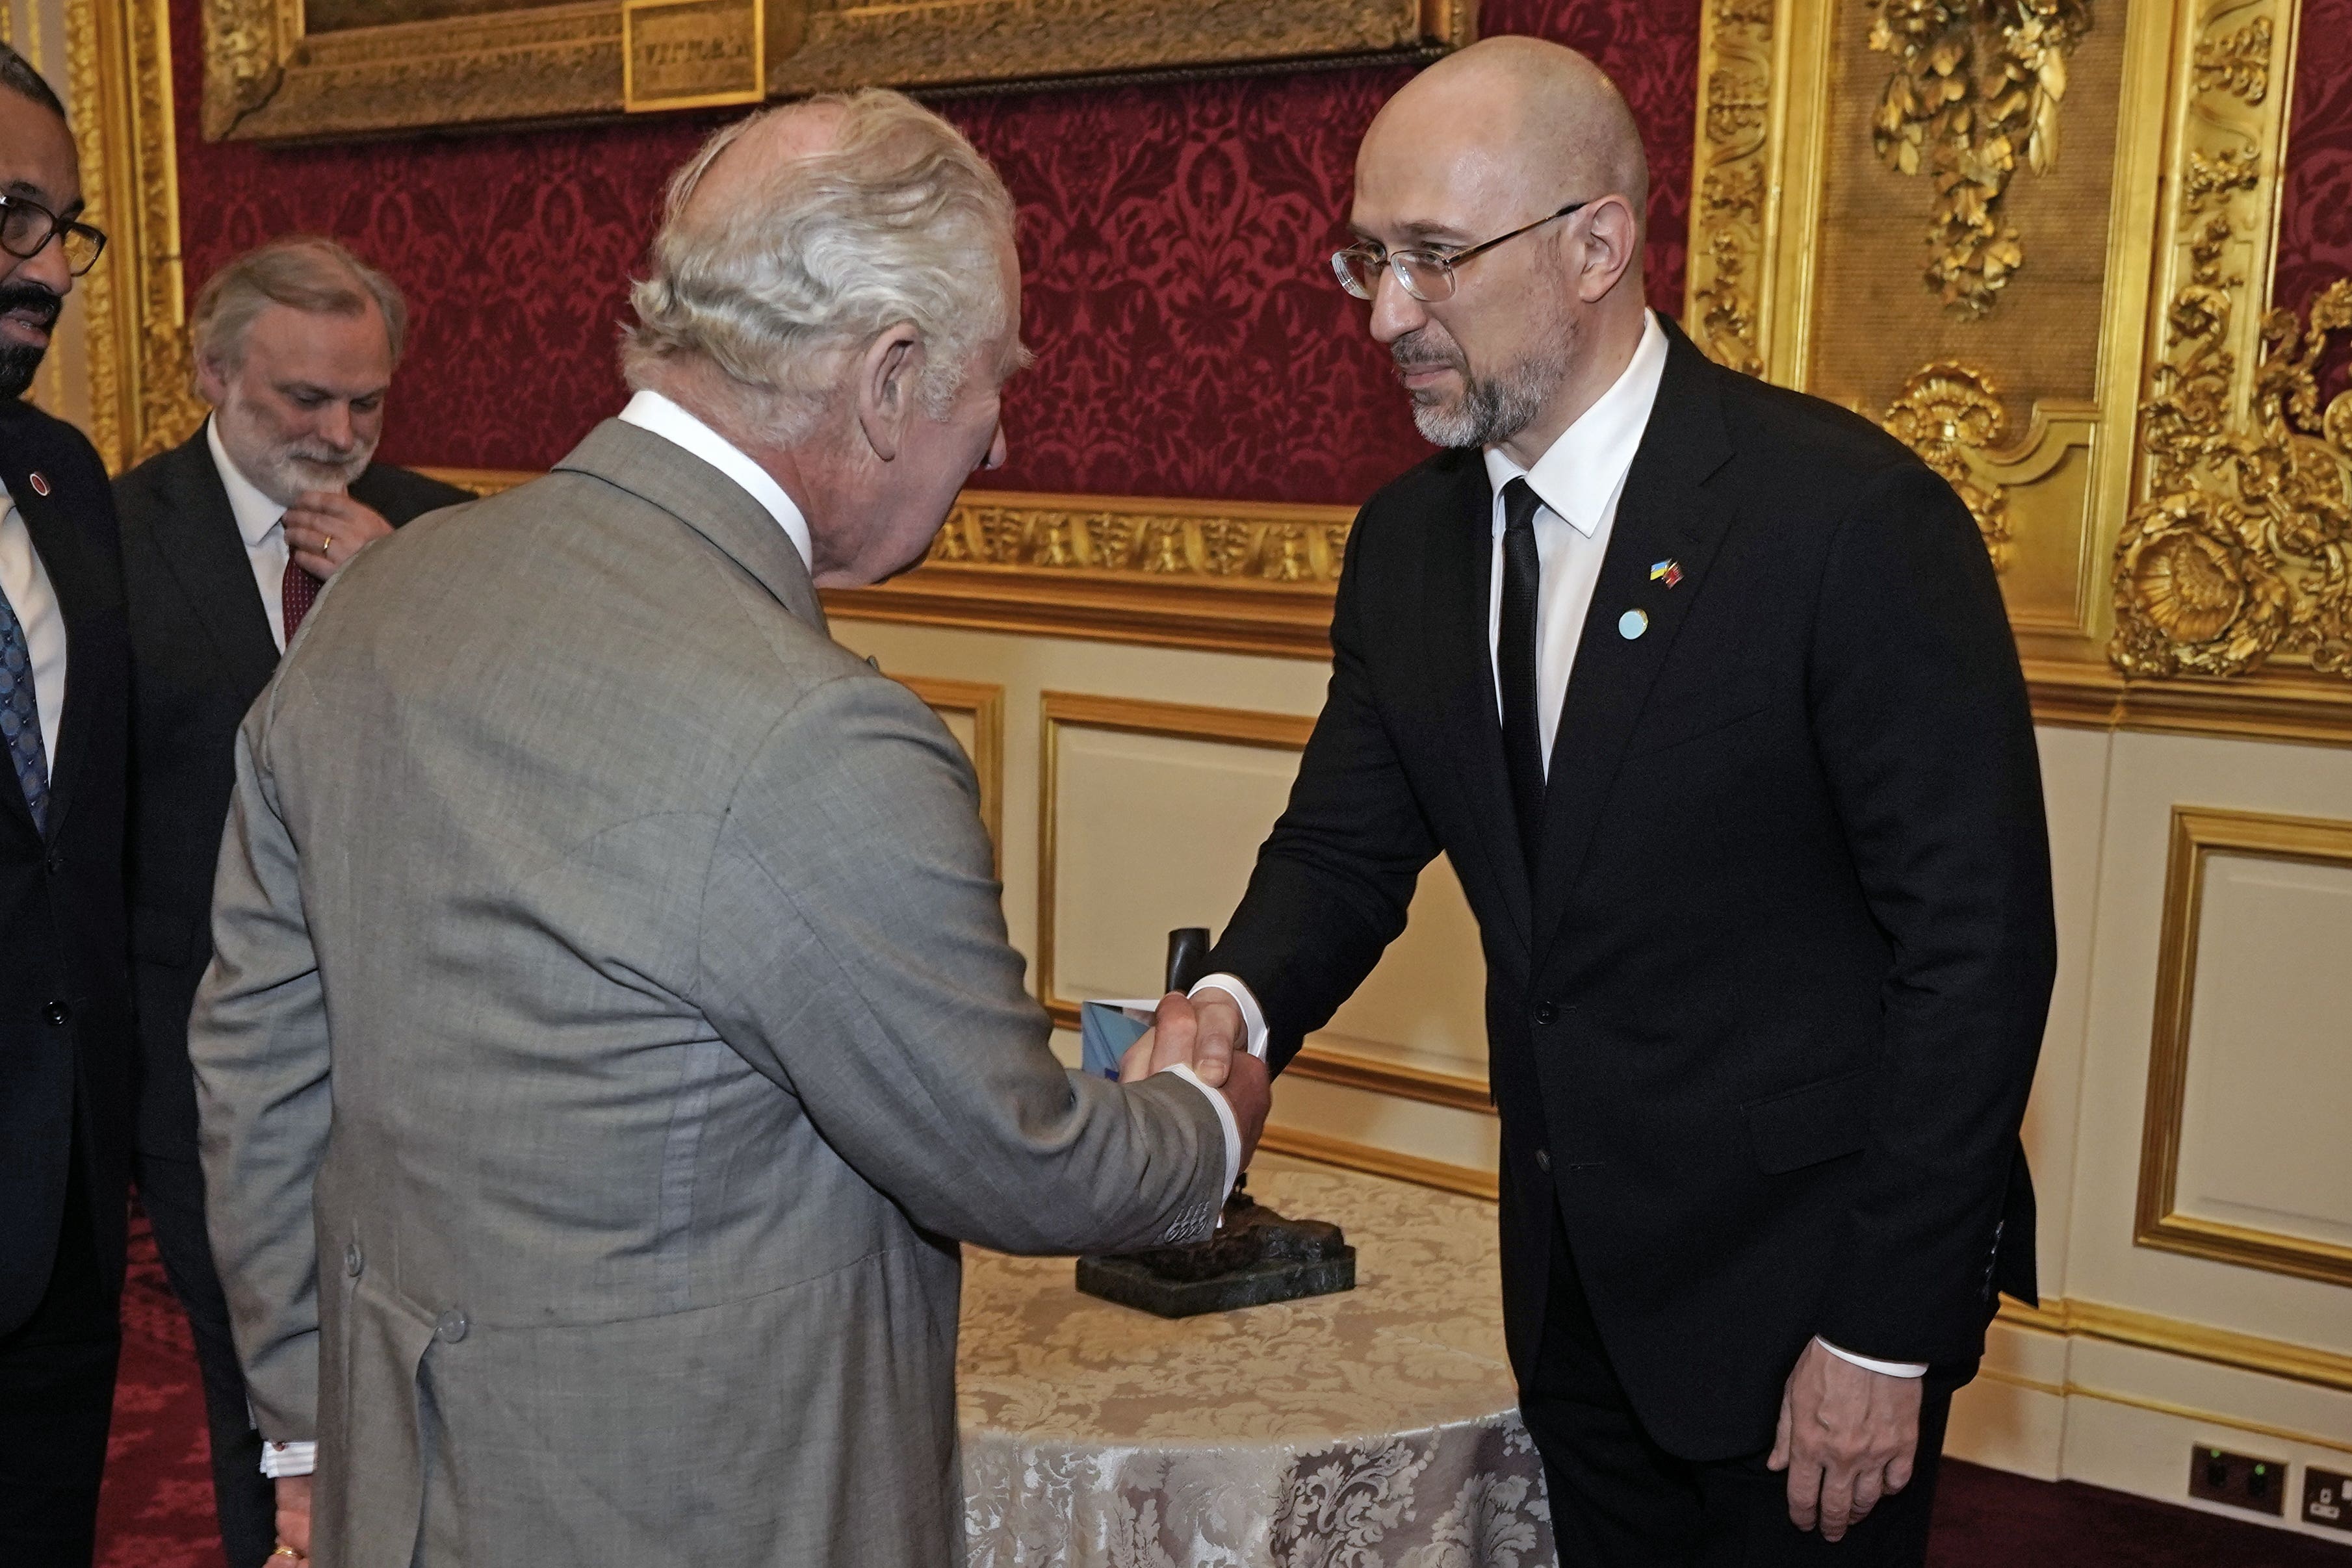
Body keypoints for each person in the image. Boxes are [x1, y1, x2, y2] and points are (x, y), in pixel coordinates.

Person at [190, 89, 1271, 1568]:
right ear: (890, 378)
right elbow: (1018, 1160)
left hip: (404, 1476)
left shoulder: (384, 597)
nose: (999, 438)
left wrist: (310, 1432)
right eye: (992, 381)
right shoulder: (819, 736)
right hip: (702, 1502)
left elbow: (257, 1066)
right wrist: (1199, 1125)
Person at [1162, 36, 2056, 1566]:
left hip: (1807, 1308)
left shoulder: (1844, 521)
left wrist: (1885, 1332)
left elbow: (1976, 953)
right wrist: (1236, 1002)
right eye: (1369, 258)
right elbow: (1346, 840)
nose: (1388, 314)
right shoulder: (1409, 545)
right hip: (1573, 1286)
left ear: (1593, 246)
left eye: (1436, 259)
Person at [114, 237, 471, 1568]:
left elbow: (494, 772)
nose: (339, 434)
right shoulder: (118, 536)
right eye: (301, 401)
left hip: (419, 1061)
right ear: (213, 374)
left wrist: (404, 595)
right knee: (258, 1397)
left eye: (366, 403)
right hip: (208, 1065)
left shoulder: (442, 536)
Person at [0, 42, 138, 1568]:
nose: (44, 267)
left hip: (66, 1206)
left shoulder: (64, 477)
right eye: (7, 213)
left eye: (64, 227)